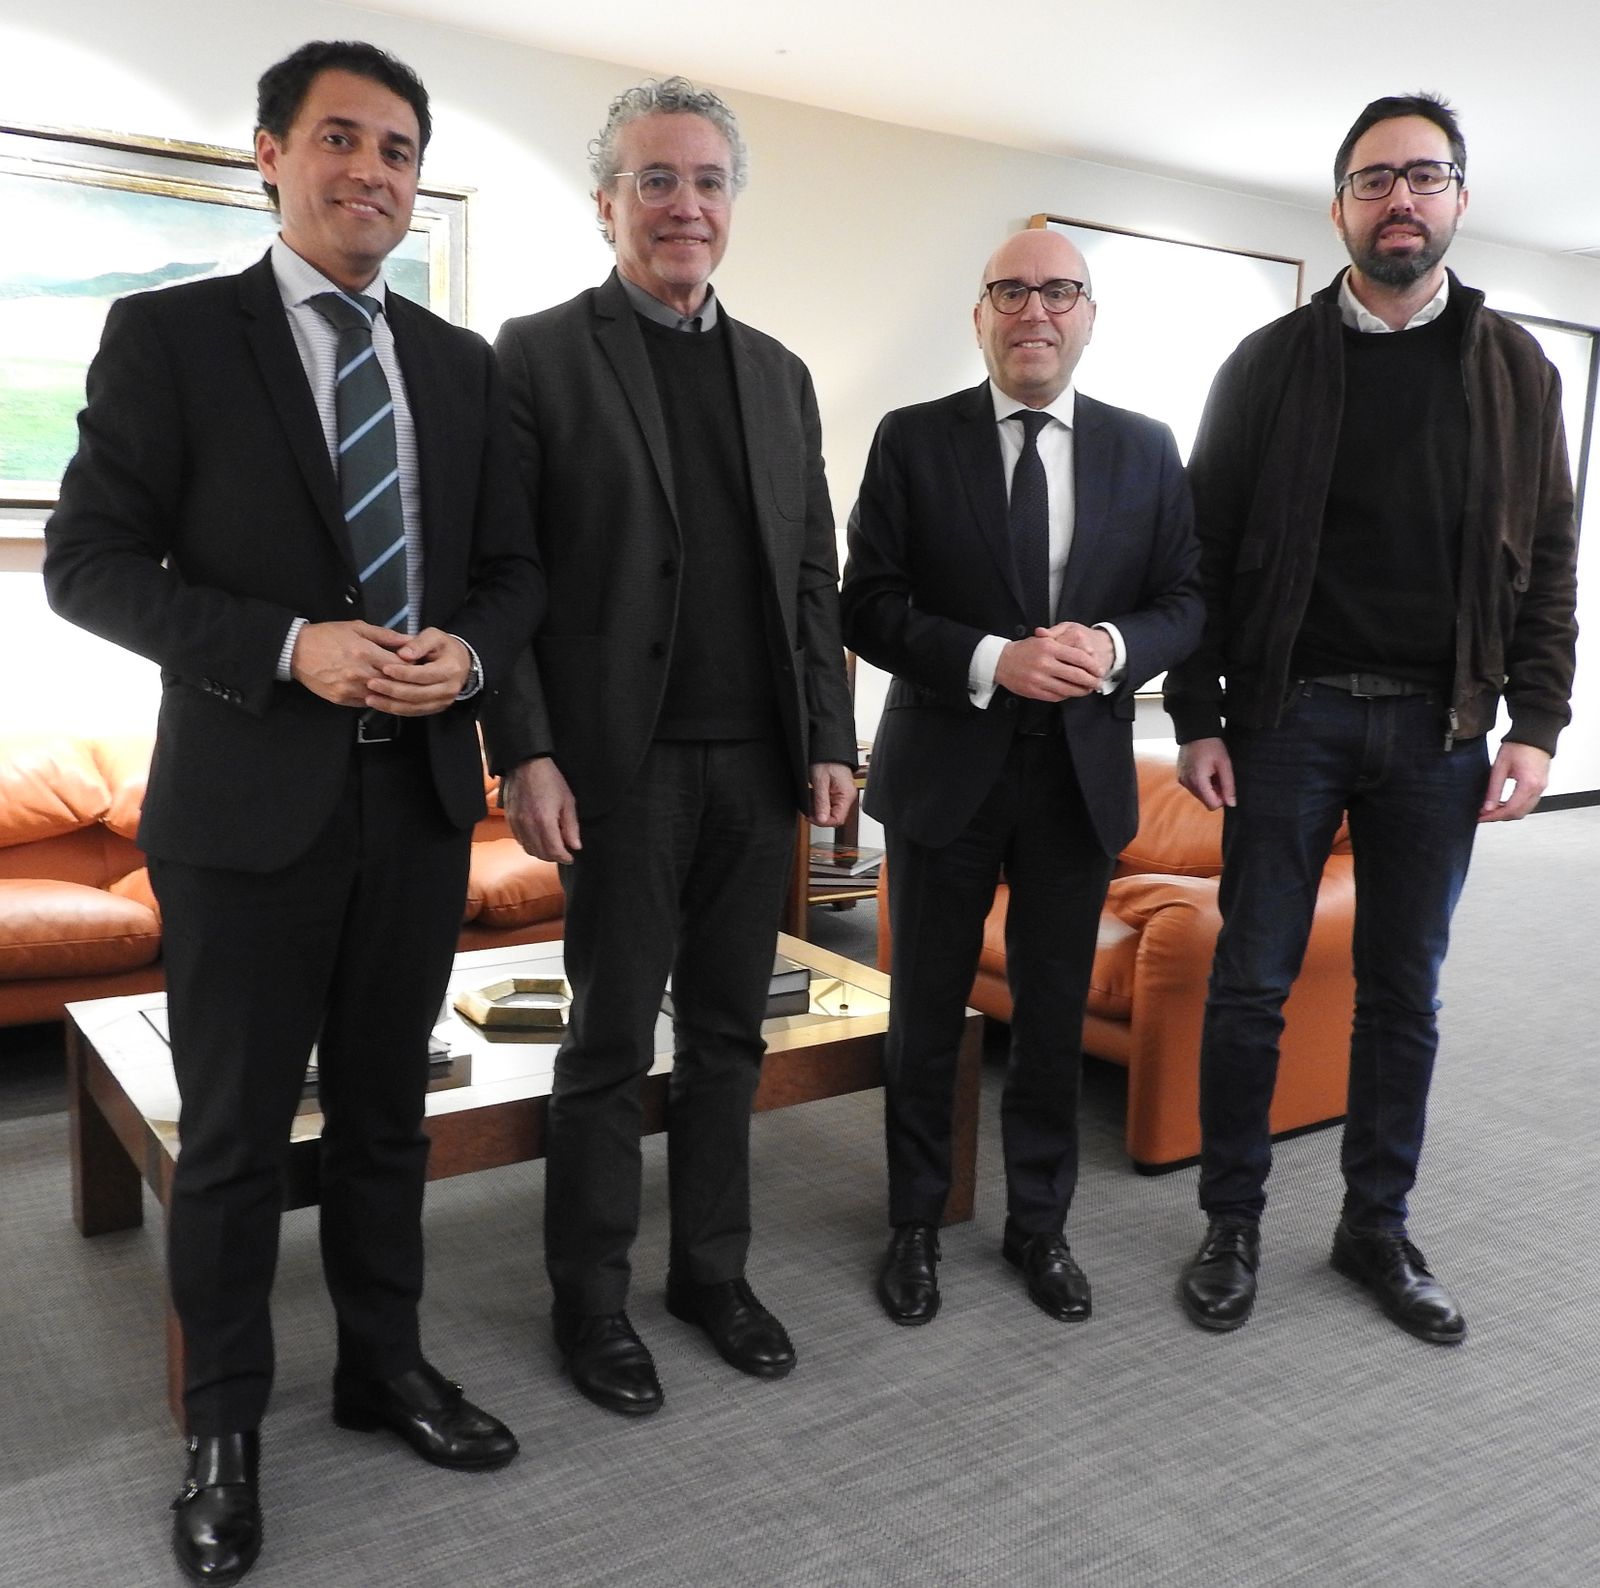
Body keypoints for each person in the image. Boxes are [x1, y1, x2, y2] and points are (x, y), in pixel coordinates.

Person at [44, 40, 539, 1584]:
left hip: (413, 808)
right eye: (340, 140)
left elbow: (515, 575)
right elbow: (90, 565)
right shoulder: (172, 337)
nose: (370, 173)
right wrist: (284, 645)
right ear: (270, 154)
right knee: (240, 1141)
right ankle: (226, 1426)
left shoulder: (461, 367)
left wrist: (470, 655)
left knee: (394, 1119)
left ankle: (382, 1368)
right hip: (240, 814)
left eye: (398, 150)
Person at [1164, 93, 1579, 1345]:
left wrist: (1537, 722)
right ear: (1340, 203)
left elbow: (1549, 558)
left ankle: (1372, 1227)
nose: (1400, 199)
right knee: (1251, 984)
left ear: (1457, 198)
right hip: (1288, 720)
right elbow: (1206, 547)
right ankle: (1229, 1220)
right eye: (1374, 178)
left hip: (1440, 733)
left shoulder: (1515, 369)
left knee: (1405, 994)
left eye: (1424, 176)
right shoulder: (1269, 362)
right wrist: (1197, 711)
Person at [481, 77, 856, 1417]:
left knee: (728, 1044)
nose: (682, 204)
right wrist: (521, 751)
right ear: (607, 203)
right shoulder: (535, 354)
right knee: (602, 1050)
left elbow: (813, 575)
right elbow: (504, 572)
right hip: (618, 775)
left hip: (758, 771)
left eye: (705, 181)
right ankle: (590, 1303)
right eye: (654, 180)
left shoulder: (780, 375)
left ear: (730, 205)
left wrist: (831, 740)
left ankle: (712, 1274)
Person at [840, 228, 1202, 1326]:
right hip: (946, 771)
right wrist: (996, 659)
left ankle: (1038, 1226)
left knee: (1047, 1018)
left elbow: (1186, 601)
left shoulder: (1145, 448)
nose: (1033, 310)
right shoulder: (914, 439)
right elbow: (868, 605)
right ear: (980, 313)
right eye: (1011, 290)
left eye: (1058, 292)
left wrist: (1110, 644)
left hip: (1079, 783)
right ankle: (916, 1219)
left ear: (1088, 315)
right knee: (923, 1017)